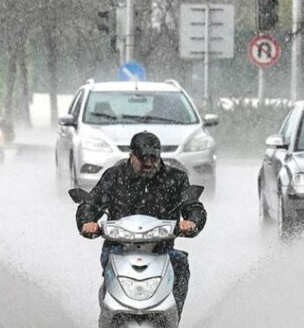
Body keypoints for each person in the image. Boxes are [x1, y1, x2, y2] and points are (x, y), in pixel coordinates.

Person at [76, 131, 207, 317]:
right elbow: (91, 203)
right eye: (142, 158)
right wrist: (87, 222)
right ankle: (108, 316)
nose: (148, 163)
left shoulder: (175, 178)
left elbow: (193, 206)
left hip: (161, 250)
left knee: (180, 264)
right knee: (109, 260)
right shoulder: (114, 176)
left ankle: (173, 319)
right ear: (131, 156)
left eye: (153, 158)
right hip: (118, 247)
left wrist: (192, 222)